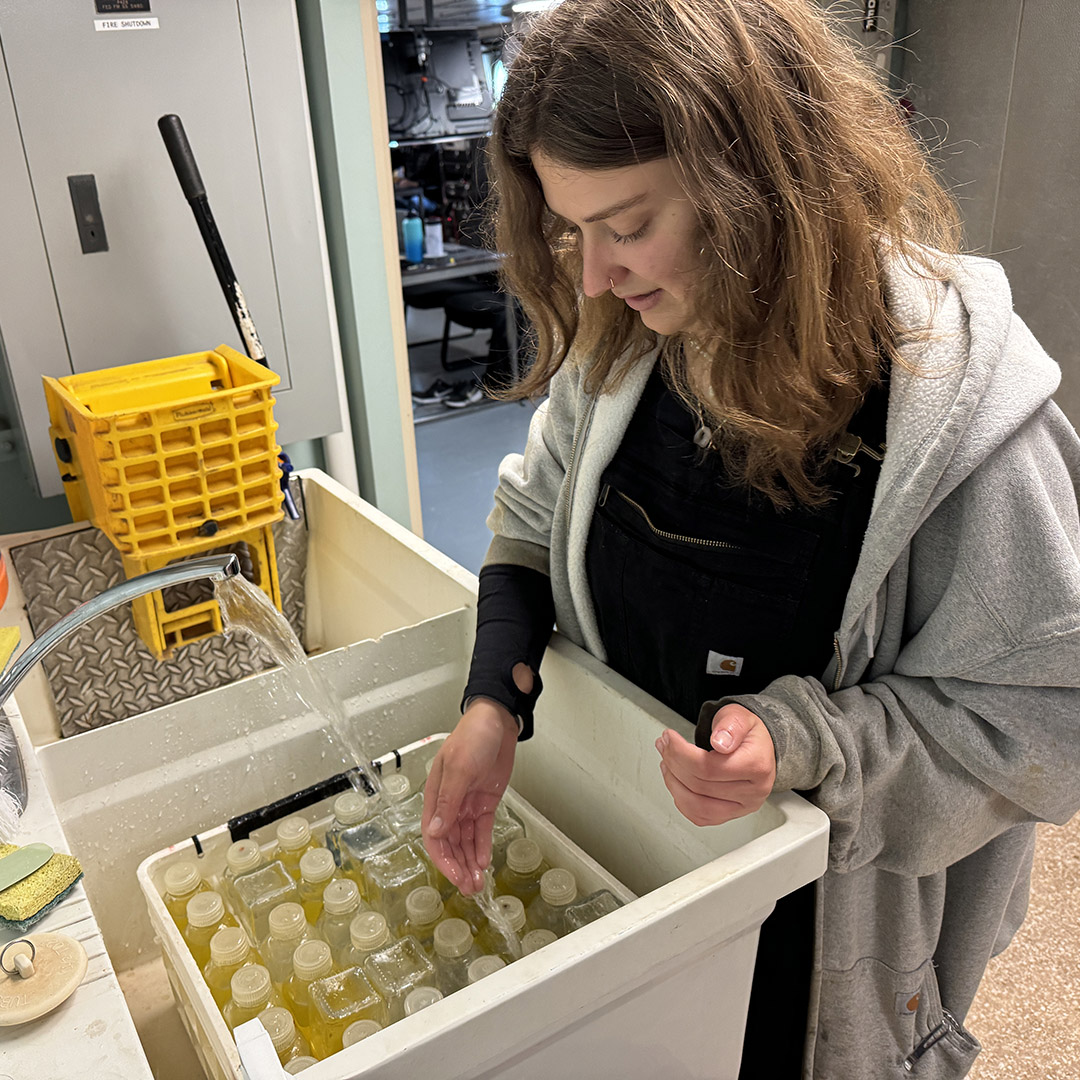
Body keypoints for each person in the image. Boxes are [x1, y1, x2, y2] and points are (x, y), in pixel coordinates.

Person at [420, 1, 1080, 1077]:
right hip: (655, 881)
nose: (593, 277)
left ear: (756, 189)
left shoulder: (959, 414)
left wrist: (808, 744)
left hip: (826, 933)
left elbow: (1042, 717)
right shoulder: (630, 341)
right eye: (572, 231)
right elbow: (532, 518)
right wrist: (495, 698)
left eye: (627, 225)